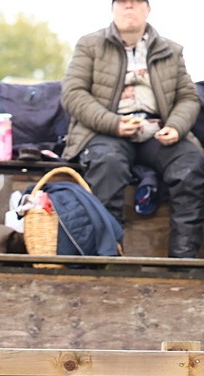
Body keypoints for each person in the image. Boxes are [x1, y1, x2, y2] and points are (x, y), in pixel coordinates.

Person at [61, 0, 204, 259]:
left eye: (136, 2)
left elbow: (188, 97)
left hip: (156, 132)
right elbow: (73, 94)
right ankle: (106, 258)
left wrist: (175, 126)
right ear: (112, 9)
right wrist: (112, 123)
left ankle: (184, 262)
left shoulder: (171, 50)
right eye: (123, 2)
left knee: (190, 164)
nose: (129, 7)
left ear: (147, 9)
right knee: (107, 163)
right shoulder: (89, 44)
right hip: (106, 130)